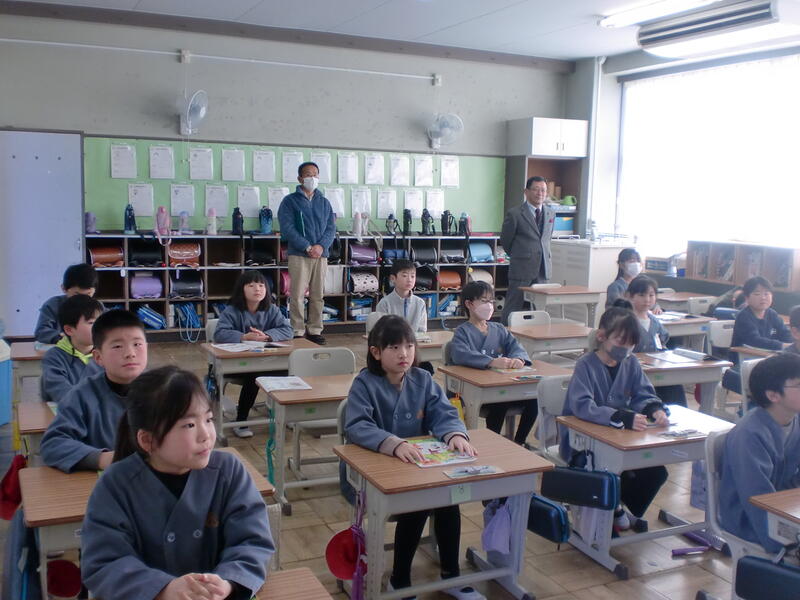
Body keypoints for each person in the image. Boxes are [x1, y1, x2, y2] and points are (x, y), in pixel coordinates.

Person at [81, 366, 275, 600]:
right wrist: (163, 589)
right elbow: (105, 562)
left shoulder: (228, 471)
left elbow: (252, 540)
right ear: (148, 440)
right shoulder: (115, 484)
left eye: (208, 419)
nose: (206, 434)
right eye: (189, 425)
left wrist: (227, 583)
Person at [344, 315, 484, 600]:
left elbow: (444, 413)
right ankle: (400, 580)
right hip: (371, 475)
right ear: (376, 352)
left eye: (409, 346)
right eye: (394, 347)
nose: (404, 354)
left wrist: (454, 434)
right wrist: (393, 444)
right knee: (418, 502)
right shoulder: (364, 384)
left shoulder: (422, 379)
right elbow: (357, 426)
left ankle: (451, 575)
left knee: (448, 500)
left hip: (416, 467)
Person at [560, 306, 670, 530]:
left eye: (631, 343)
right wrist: (620, 416)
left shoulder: (631, 363)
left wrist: (655, 409)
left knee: (656, 472)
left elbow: (643, 393)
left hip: (621, 439)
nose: (626, 348)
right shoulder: (585, 365)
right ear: (602, 336)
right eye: (621, 342)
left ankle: (619, 510)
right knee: (605, 471)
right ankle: (609, 516)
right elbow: (582, 406)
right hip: (583, 443)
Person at [40, 309, 147, 472]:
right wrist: (102, 458)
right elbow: (53, 444)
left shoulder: (165, 391)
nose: (130, 354)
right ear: (98, 357)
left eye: (137, 344)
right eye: (117, 346)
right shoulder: (82, 396)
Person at [719, 354, 800, 553]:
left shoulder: (795, 420)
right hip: (753, 522)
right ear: (773, 395)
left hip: (786, 510)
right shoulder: (749, 435)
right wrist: (782, 547)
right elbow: (757, 501)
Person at [450, 281, 536, 446]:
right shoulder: (462, 331)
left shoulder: (499, 328)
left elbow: (515, 346)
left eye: (491, 301)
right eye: (484, 301)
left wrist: (519, 359)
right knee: (500, 402)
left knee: (534, 399)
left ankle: (520, 442)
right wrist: (491, 362)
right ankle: (493, 443)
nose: (489, 306)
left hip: (505, 385)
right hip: (483, 391)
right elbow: (461, 354)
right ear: (469, 304)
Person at [214, 270, 293, 438]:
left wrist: (268, 336)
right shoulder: (232, 311)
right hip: (237, 365)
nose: (257, 289)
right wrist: (243, 337)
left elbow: (287, 330)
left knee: (291, 371)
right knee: (254, 375)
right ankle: (241, 420)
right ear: (241, 289)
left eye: (261, 285)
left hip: (266, 361)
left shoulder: (271, 309)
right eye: (251, 285)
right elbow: (219, 333)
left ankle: (287, 415)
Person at [278, 161, 336, 345]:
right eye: (308, 174)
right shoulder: (289, 201)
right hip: (299, 254)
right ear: (300, 178)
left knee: (318, 295)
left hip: (321, 255)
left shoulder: (324, 202)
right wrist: (307, 247)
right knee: (297, 295)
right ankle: (297, 330)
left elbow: (331, 228)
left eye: (315, 174)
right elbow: (287, 228)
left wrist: (321, 246)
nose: (312, 178)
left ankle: (315, 330)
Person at [617, 275, 687, 406]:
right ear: (630, 296)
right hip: (633, 369)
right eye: (642, 295)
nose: (647, 300)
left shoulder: (655, 321)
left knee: (674, 385)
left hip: (656, 367)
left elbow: (662, 344)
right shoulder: (624, 320)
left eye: (651, 295)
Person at [499, 176, 555, 324]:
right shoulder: (515, 213)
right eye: (536, 189)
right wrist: (520, 255)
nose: (540, 193)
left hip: (543, 268)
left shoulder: (551, 213)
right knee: (513, 305)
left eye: (543, 190)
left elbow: (546, 239)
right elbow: (506, 240)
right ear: (526, 191)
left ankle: (537, 334)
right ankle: (505, 333)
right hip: (522, 267)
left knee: (540, 309)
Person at [724, 276, 792, 394]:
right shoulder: (744, 316)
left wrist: (793, 343)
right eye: (757, 294)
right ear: (747, 298)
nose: (763, 297)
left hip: (766, 359)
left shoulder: (772, 314)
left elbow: (785, 333)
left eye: (767, 293)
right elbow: (754, 340)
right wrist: (782, 345)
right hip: (743, 362)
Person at [40, 294, 104, 403]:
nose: (99, 327)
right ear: (69, 330)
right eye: (91, 323)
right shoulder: (54, 357)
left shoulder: (106, 354)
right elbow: (60, 391)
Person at [375, 259, 433, 373]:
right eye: (405, 275)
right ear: (393, 278)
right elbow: (381, 333)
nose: (409, 279)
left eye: (413, 276)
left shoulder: (420, 303)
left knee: (427, 368)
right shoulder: (385, 303)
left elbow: (422, 330)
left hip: (413, 348)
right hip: (393, 348)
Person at [35, 263, 98, 344]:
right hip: (62, 347)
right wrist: (59, 337)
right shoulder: (52, 305)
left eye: (88, 294)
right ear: (64, 289)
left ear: (94, 291)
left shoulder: (98, 307)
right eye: (77, 295)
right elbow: (41, 331)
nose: (82, 300)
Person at [605, 249, 663, 314]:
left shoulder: (643, 283)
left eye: (638, 261)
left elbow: (652, 303)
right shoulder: (615, 287)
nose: (636, 264)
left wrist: (656, 308)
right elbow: (617, 308)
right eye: (632, 261)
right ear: (621, 265)